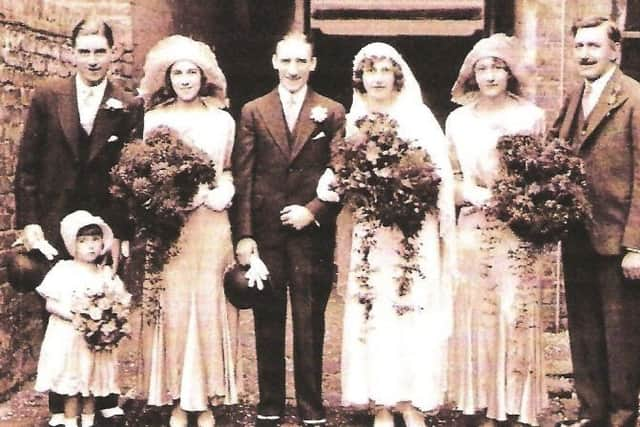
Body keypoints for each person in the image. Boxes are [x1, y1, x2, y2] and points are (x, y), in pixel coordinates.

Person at [14, 17, 142, 427]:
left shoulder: (128, 104)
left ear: (112, 53)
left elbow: (129, 173)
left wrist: (120, 232)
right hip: (55, 221)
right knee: (61, 312)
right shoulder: (48, 96)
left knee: (103, 304)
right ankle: (60, 402)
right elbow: (27, 166)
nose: (92, 60)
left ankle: (103, 393)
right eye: (84, 51)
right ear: (72, 53)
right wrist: (30, 222)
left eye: (99, 51)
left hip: (100, 226)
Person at [323, 42, 456, 427]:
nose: (377, 78)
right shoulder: (354, 120)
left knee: (410, 308)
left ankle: (410, 401)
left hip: (412, 231)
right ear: (360, 78)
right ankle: (381, 402)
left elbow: (439, 174)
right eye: (370, 71)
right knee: (374, 309)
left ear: (397, 75)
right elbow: (343, 171)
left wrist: (410, 193)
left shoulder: (419, 117)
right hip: (370, 232)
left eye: (384, 70)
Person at [232, 32, 345, 427]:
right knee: (267, 317)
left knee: (309, 318)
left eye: (301, 62)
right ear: (274, 62)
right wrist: (244, 236)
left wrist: (312, 211)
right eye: (287, 61)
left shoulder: (331, 112)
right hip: (266, 233)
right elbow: (243, 177)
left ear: (313, 65)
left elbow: (342, 174)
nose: (293, 70)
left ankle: (312, 407)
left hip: (311, 233)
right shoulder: (253, 111)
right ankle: (270, 404)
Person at [135, 35, 240, 427]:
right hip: (172, 226)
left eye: (191, 72)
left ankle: (206, 400)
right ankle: (179, 398)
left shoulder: (222, 120)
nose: (184, 79)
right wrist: (172, 199)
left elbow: (228, 167)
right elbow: (144, 173)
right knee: (175, 306)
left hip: (211, 224)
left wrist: (224, 190)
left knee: (208, 304)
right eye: (177, 73)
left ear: (203, 77)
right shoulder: (153, 121)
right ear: (167, 78)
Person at [445, 34, 547, 426]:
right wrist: (470, 192)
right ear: (472, 74)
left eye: (498, 67)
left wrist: (517, 200)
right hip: (473, 227)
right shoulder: (457, 120)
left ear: (510, 73)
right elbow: (448, 179)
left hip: (517, 232)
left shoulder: (531, 117)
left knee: (513, 313)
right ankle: (484, 406)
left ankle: (517, 407)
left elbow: (542, 177)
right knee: (479, 316)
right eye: (482, 68)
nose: (490, 75)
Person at [549, 17, 640, 427]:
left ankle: (622, 416)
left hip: (617, 238)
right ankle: (592, 411)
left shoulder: (634, 98)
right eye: (579, 46)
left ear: (614, 51)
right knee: (584, 330)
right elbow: (554, 156)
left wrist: (636, 245)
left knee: (620, 335)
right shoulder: (572, 98)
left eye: (594, 46)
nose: (585, 54)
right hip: (578, 233)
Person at [35, 210, 131, 427]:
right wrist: (79, 316)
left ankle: (88, 421)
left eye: (95, 240)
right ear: (72, 244)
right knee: (72, 384)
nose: (90, 246)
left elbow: (119, 303)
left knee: (91, 384)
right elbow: (51, 303)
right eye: (83, 241)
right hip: (70, 340)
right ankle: (69, 420)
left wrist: (110, 321)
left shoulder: (105, 274)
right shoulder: (64, 270)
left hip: (94, 343)